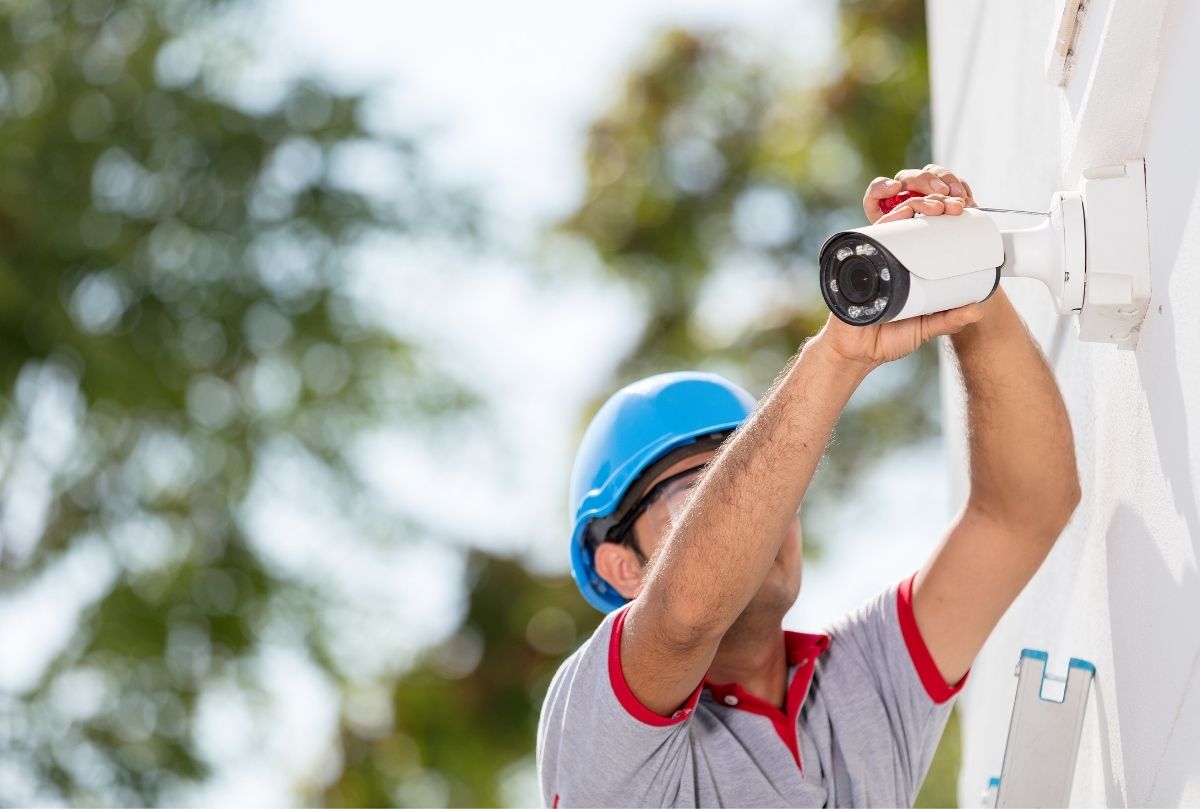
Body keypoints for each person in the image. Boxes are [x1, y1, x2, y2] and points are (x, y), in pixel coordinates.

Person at [536, 165, 1081, 807]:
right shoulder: (602, 732)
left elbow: (1023, 512)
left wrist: (964, 277)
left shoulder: (861, 685)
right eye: (696, 497)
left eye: (763, 485)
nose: (758, 520)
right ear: (622, 566)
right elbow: (684, 617)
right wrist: (840, 351)